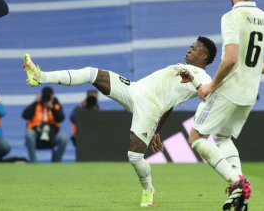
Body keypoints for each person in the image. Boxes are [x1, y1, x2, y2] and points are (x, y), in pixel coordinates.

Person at [23, 36, 217, 207]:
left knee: (134, 157)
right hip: (134, 89)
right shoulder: (182, 69)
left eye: (195, 47)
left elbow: (203, 96)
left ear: (204, 56)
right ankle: (40, 76)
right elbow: (171, 103)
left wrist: (192, 81)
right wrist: (157, 130)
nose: (189, 49)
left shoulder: (204, 78)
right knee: (92, 73)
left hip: (150, 108)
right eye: (190, 45)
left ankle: (148, 190)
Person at [187, 0, 264, 211]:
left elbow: (231, 58)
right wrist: (255, 71)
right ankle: (240, 193)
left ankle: (235, 182)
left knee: (196, 137)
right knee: (222, 137)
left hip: (228, 90)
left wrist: (211, 85)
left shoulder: (232, 17)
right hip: (249, 94)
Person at [22, 86, 67, 163]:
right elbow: (25, 115)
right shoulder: (36, 104)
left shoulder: (56, 104)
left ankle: (56, 163)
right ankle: (33, 162)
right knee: (29, 134)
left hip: (52, 133)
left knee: (63, 138)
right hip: (36, 133)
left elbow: (61, 118)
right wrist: (35, 102)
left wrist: (52, 107)